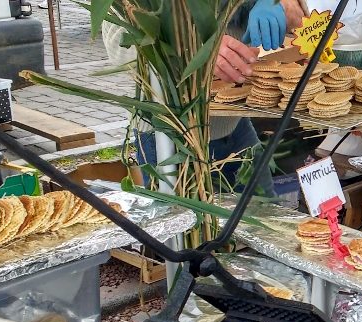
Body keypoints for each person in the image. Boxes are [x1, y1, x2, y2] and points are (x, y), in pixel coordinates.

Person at [101, 0, 303, 193]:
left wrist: (283, 4)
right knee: (185, 217)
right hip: (170, 133)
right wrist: (194, 50)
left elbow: (304, 10)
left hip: (233, 122)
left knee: (264, 210)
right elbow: (118, 42)